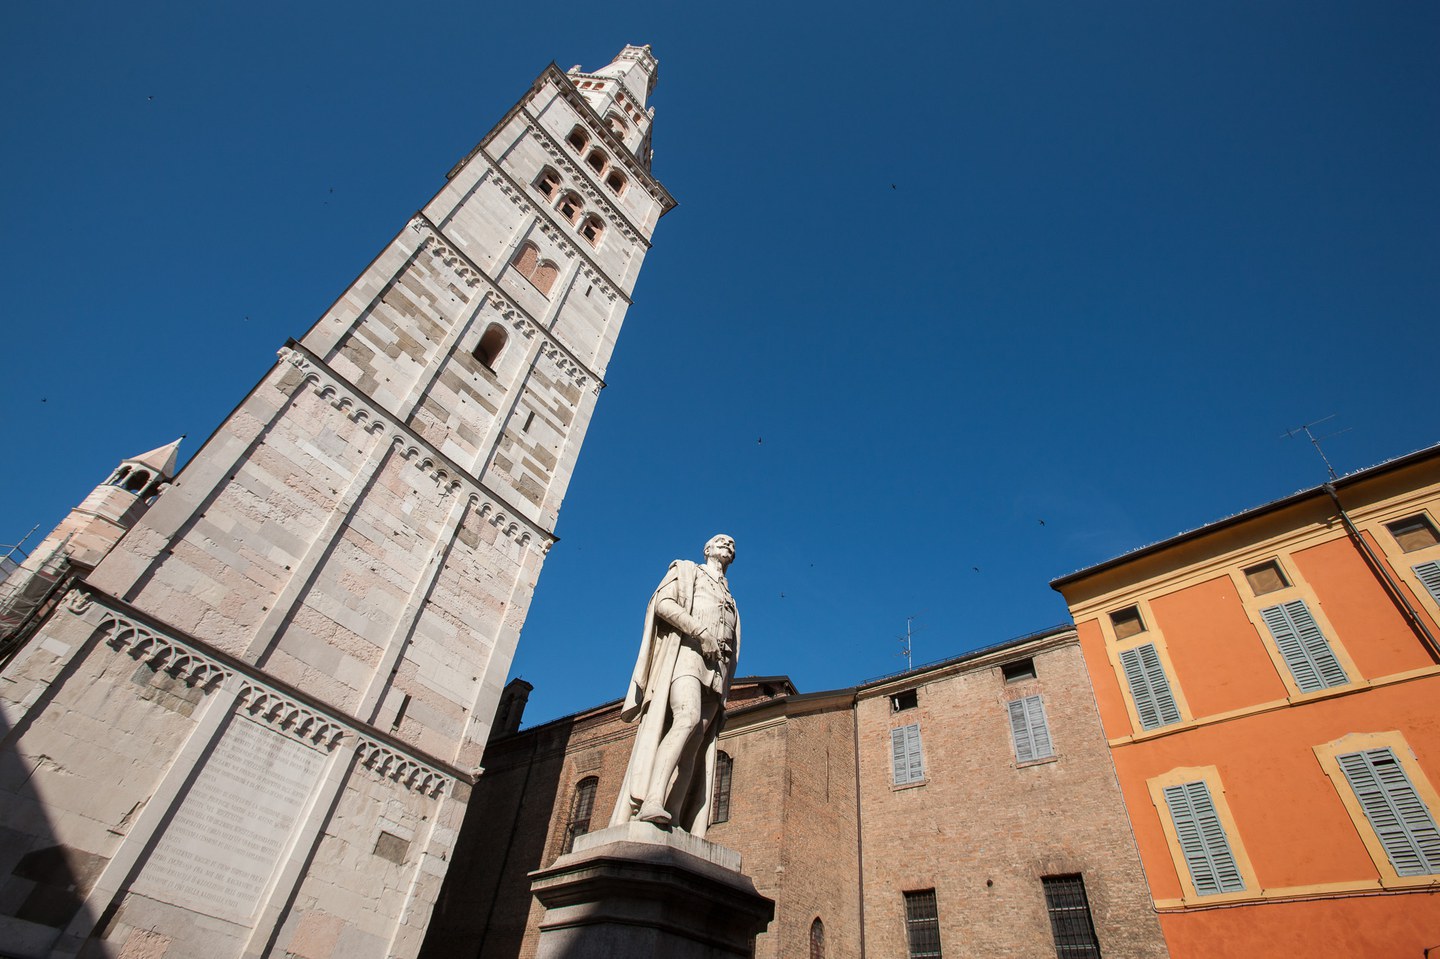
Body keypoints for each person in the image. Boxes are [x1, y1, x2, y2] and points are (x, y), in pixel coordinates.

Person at [609, 534, 739, 836]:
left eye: (732, 545)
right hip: (686, 655)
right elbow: (663, 605)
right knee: (686, 718)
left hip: (716, 671)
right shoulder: (686, 570)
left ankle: (675, 816)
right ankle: (652, 800)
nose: (728, 545)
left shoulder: (730, 597)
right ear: (707, 549)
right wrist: (699, 631)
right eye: (721, 541)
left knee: (695, 743)